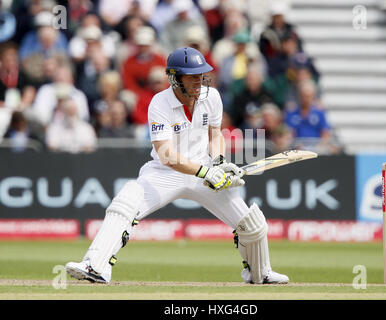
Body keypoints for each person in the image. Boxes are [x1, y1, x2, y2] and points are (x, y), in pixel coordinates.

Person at [65, 47, 289, 285]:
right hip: (166, 172)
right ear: (175, 78)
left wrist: (220, 163)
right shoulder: (159, 103)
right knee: (126, 202)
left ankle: (260, 273)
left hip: (205, 170)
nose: (199, 81)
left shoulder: (211, 96)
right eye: (192, 76)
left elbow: (215, 135)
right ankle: (95, 267)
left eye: (201, 75)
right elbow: (167, 155)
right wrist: (206, 171)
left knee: (251, 223)